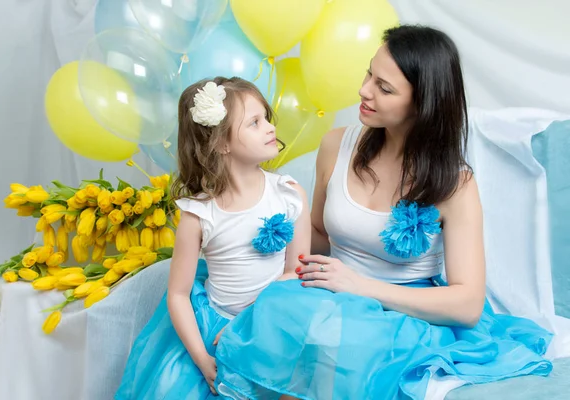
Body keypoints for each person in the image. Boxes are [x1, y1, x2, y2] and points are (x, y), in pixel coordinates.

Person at [213, 25, 553, 399]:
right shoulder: (336, 145)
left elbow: (468, 305)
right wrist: (256, 244)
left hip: (405, 314)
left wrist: (360, 287)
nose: (364, 90)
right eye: (368, 74)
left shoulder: (456, 185)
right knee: (279, 326)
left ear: (422, 104)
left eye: (384, 88)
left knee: (342, 348)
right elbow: (318, 237)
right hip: (332, 292)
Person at [115, 77, 310, 399]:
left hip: (273, 318)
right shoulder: (199, 214)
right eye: (254, 123)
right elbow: (177, 295)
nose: (269, 128)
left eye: (266, 118)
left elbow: (295, 273)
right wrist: (202, 359)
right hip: (213, 326)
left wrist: (250, 323)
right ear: (222, 144)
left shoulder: (289, 195)